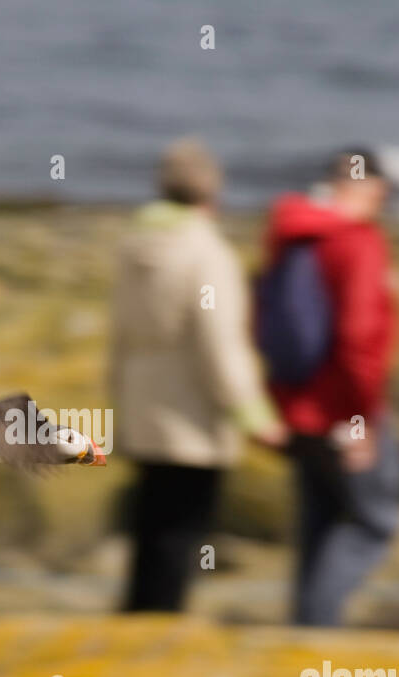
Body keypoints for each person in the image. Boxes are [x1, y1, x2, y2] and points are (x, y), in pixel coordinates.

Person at [110, 138, 286, 612]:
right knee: (180, 538)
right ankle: (157, 640)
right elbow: (220, 345)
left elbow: (119, 337)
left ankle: (133, 630)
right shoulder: (208, 254)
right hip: (192, 416)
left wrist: (118, 404)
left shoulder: (133, 249)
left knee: (149, 533)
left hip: (143, 408)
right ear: (213, 193)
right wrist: (254, 416)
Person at [264, 148, 399, 626]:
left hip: (294, 406)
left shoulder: (290, 234)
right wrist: (362, 419)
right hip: (343, 412)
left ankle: (301, 636)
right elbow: (359, 338)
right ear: (369, 187)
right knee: (374, 521)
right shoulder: (358, 241)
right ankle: (317, 627)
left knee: (318, 526)